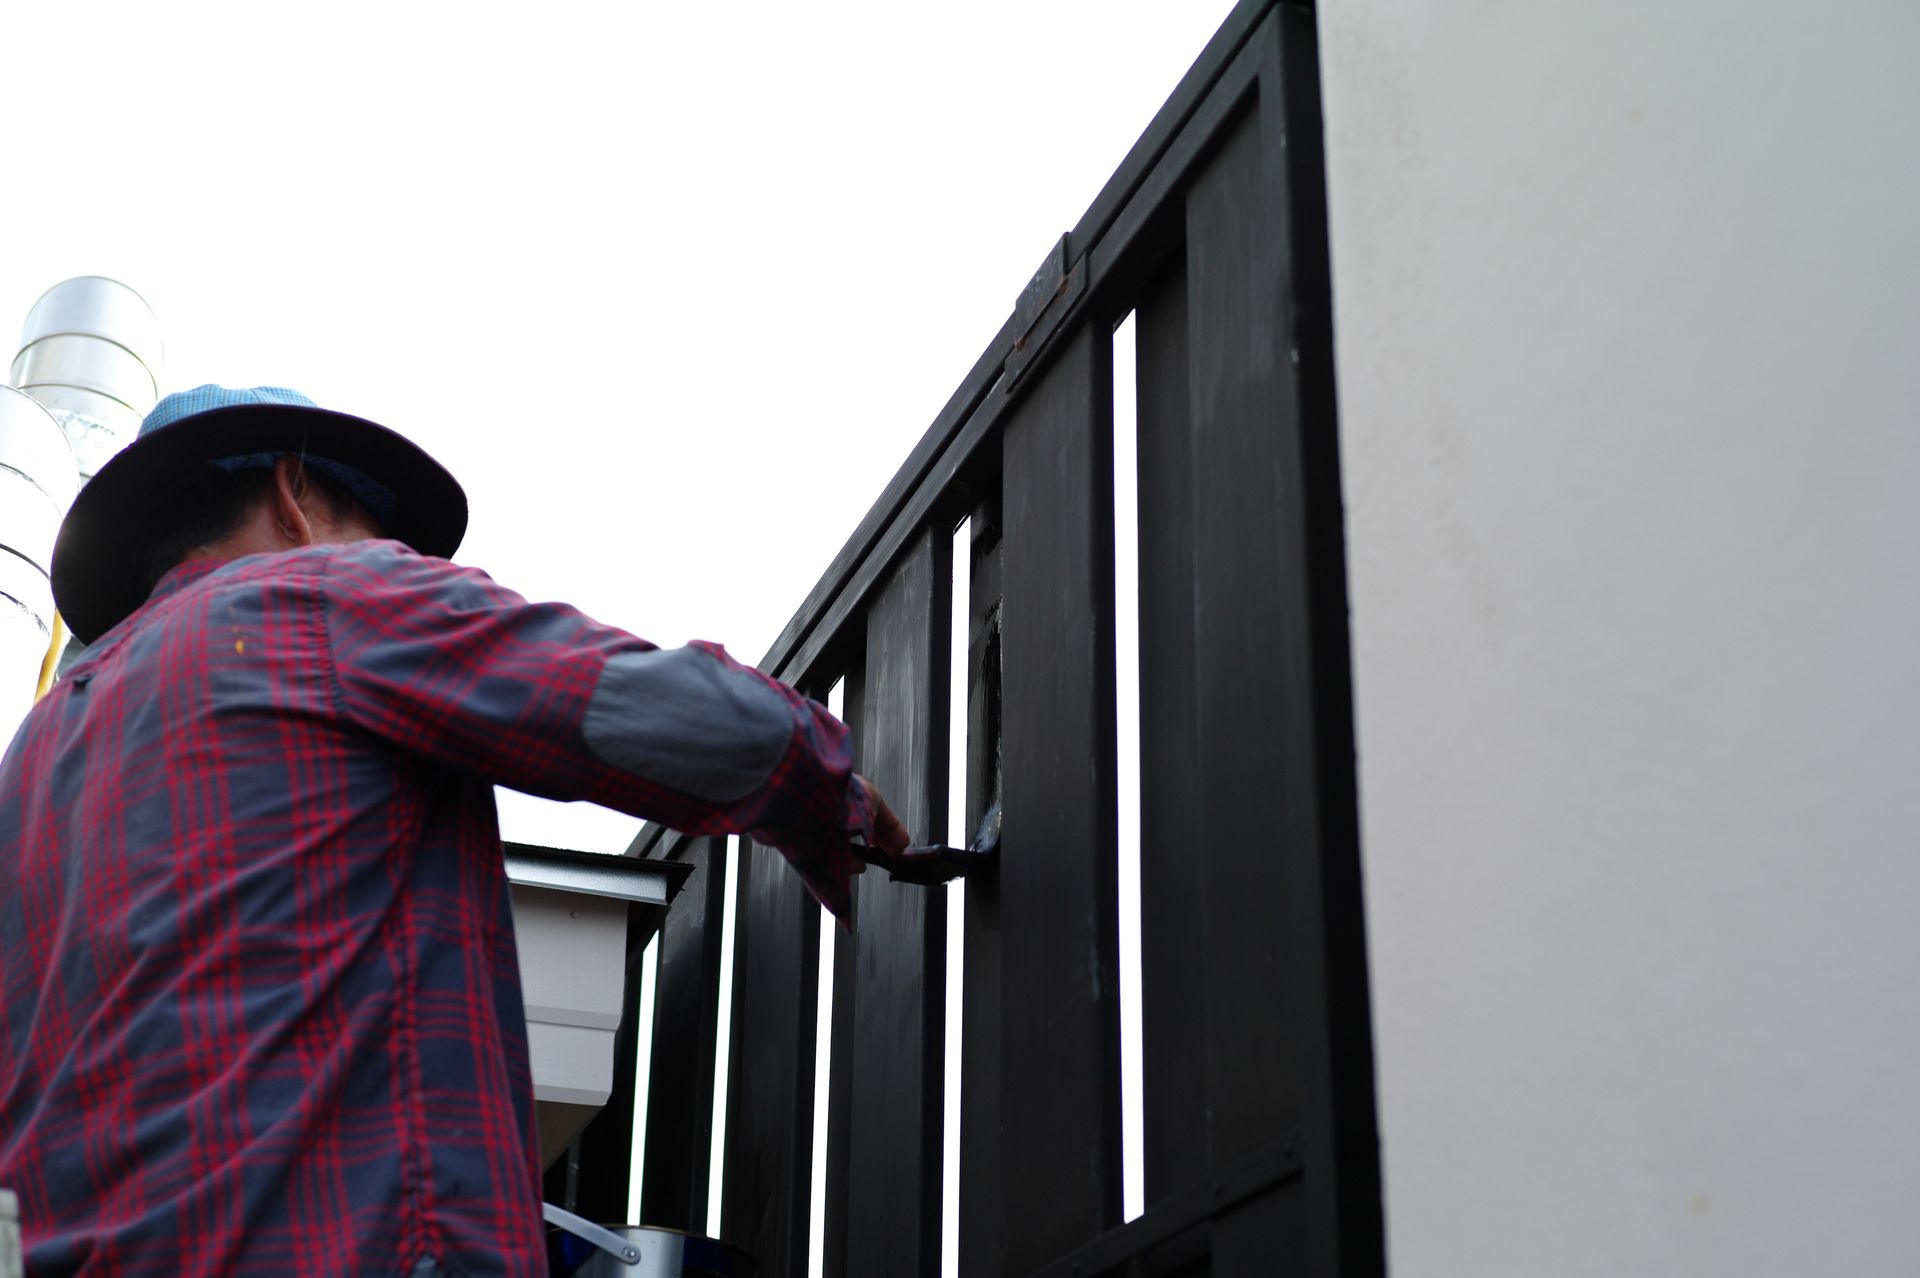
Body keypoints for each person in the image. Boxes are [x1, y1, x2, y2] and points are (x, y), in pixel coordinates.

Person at [0, 385, 910, 1277]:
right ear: (294, 493)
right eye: (375, 529)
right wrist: (828, 788)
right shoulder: (318, 596)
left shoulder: (29, 756)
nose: (393, 557)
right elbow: (650, 708)